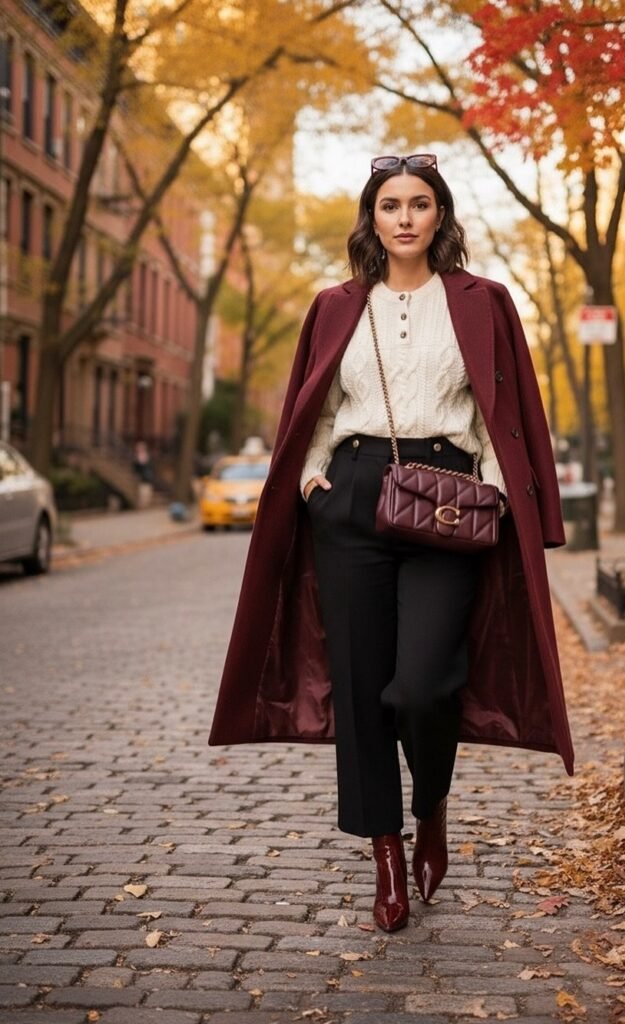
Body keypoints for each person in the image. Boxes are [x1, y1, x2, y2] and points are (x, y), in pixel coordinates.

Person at [209, 153, 574, 934]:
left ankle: (430, 805)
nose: (405, 217)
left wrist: (498, 493)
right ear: (371, 220)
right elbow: (314, 406)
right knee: (360, 684)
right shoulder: (336, 306)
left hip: (448, 504)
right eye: (390, 205)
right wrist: (311, 482)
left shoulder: (483, 301)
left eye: (419, 203)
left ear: (440, 216)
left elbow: (503, 408)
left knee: (422, 686)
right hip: (351, 497)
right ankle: (384, 850)